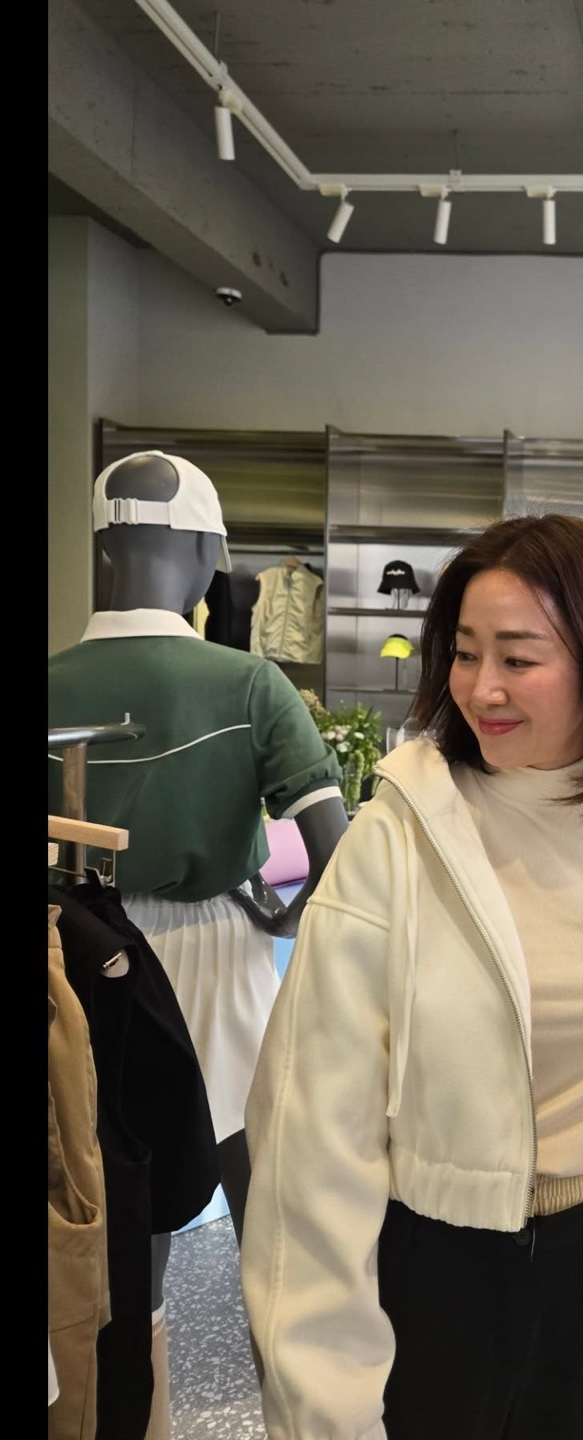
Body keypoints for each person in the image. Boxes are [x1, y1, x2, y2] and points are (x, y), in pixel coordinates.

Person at [241, 513, 583, 1440]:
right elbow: (312, 1136)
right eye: (465, 653)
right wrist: (322, 1400)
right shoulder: (395, 841)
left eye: (518, 658)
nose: (481, 688)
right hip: (434, 1276)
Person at [48, 450, 348, 1434]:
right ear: (210, 552)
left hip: (80, 967)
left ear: (106, 549)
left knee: (125, 1221)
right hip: (221, 960)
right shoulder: (251, 683)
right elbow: (334, 856)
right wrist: (283, 913)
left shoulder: (51, 683)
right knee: (276, 1222)